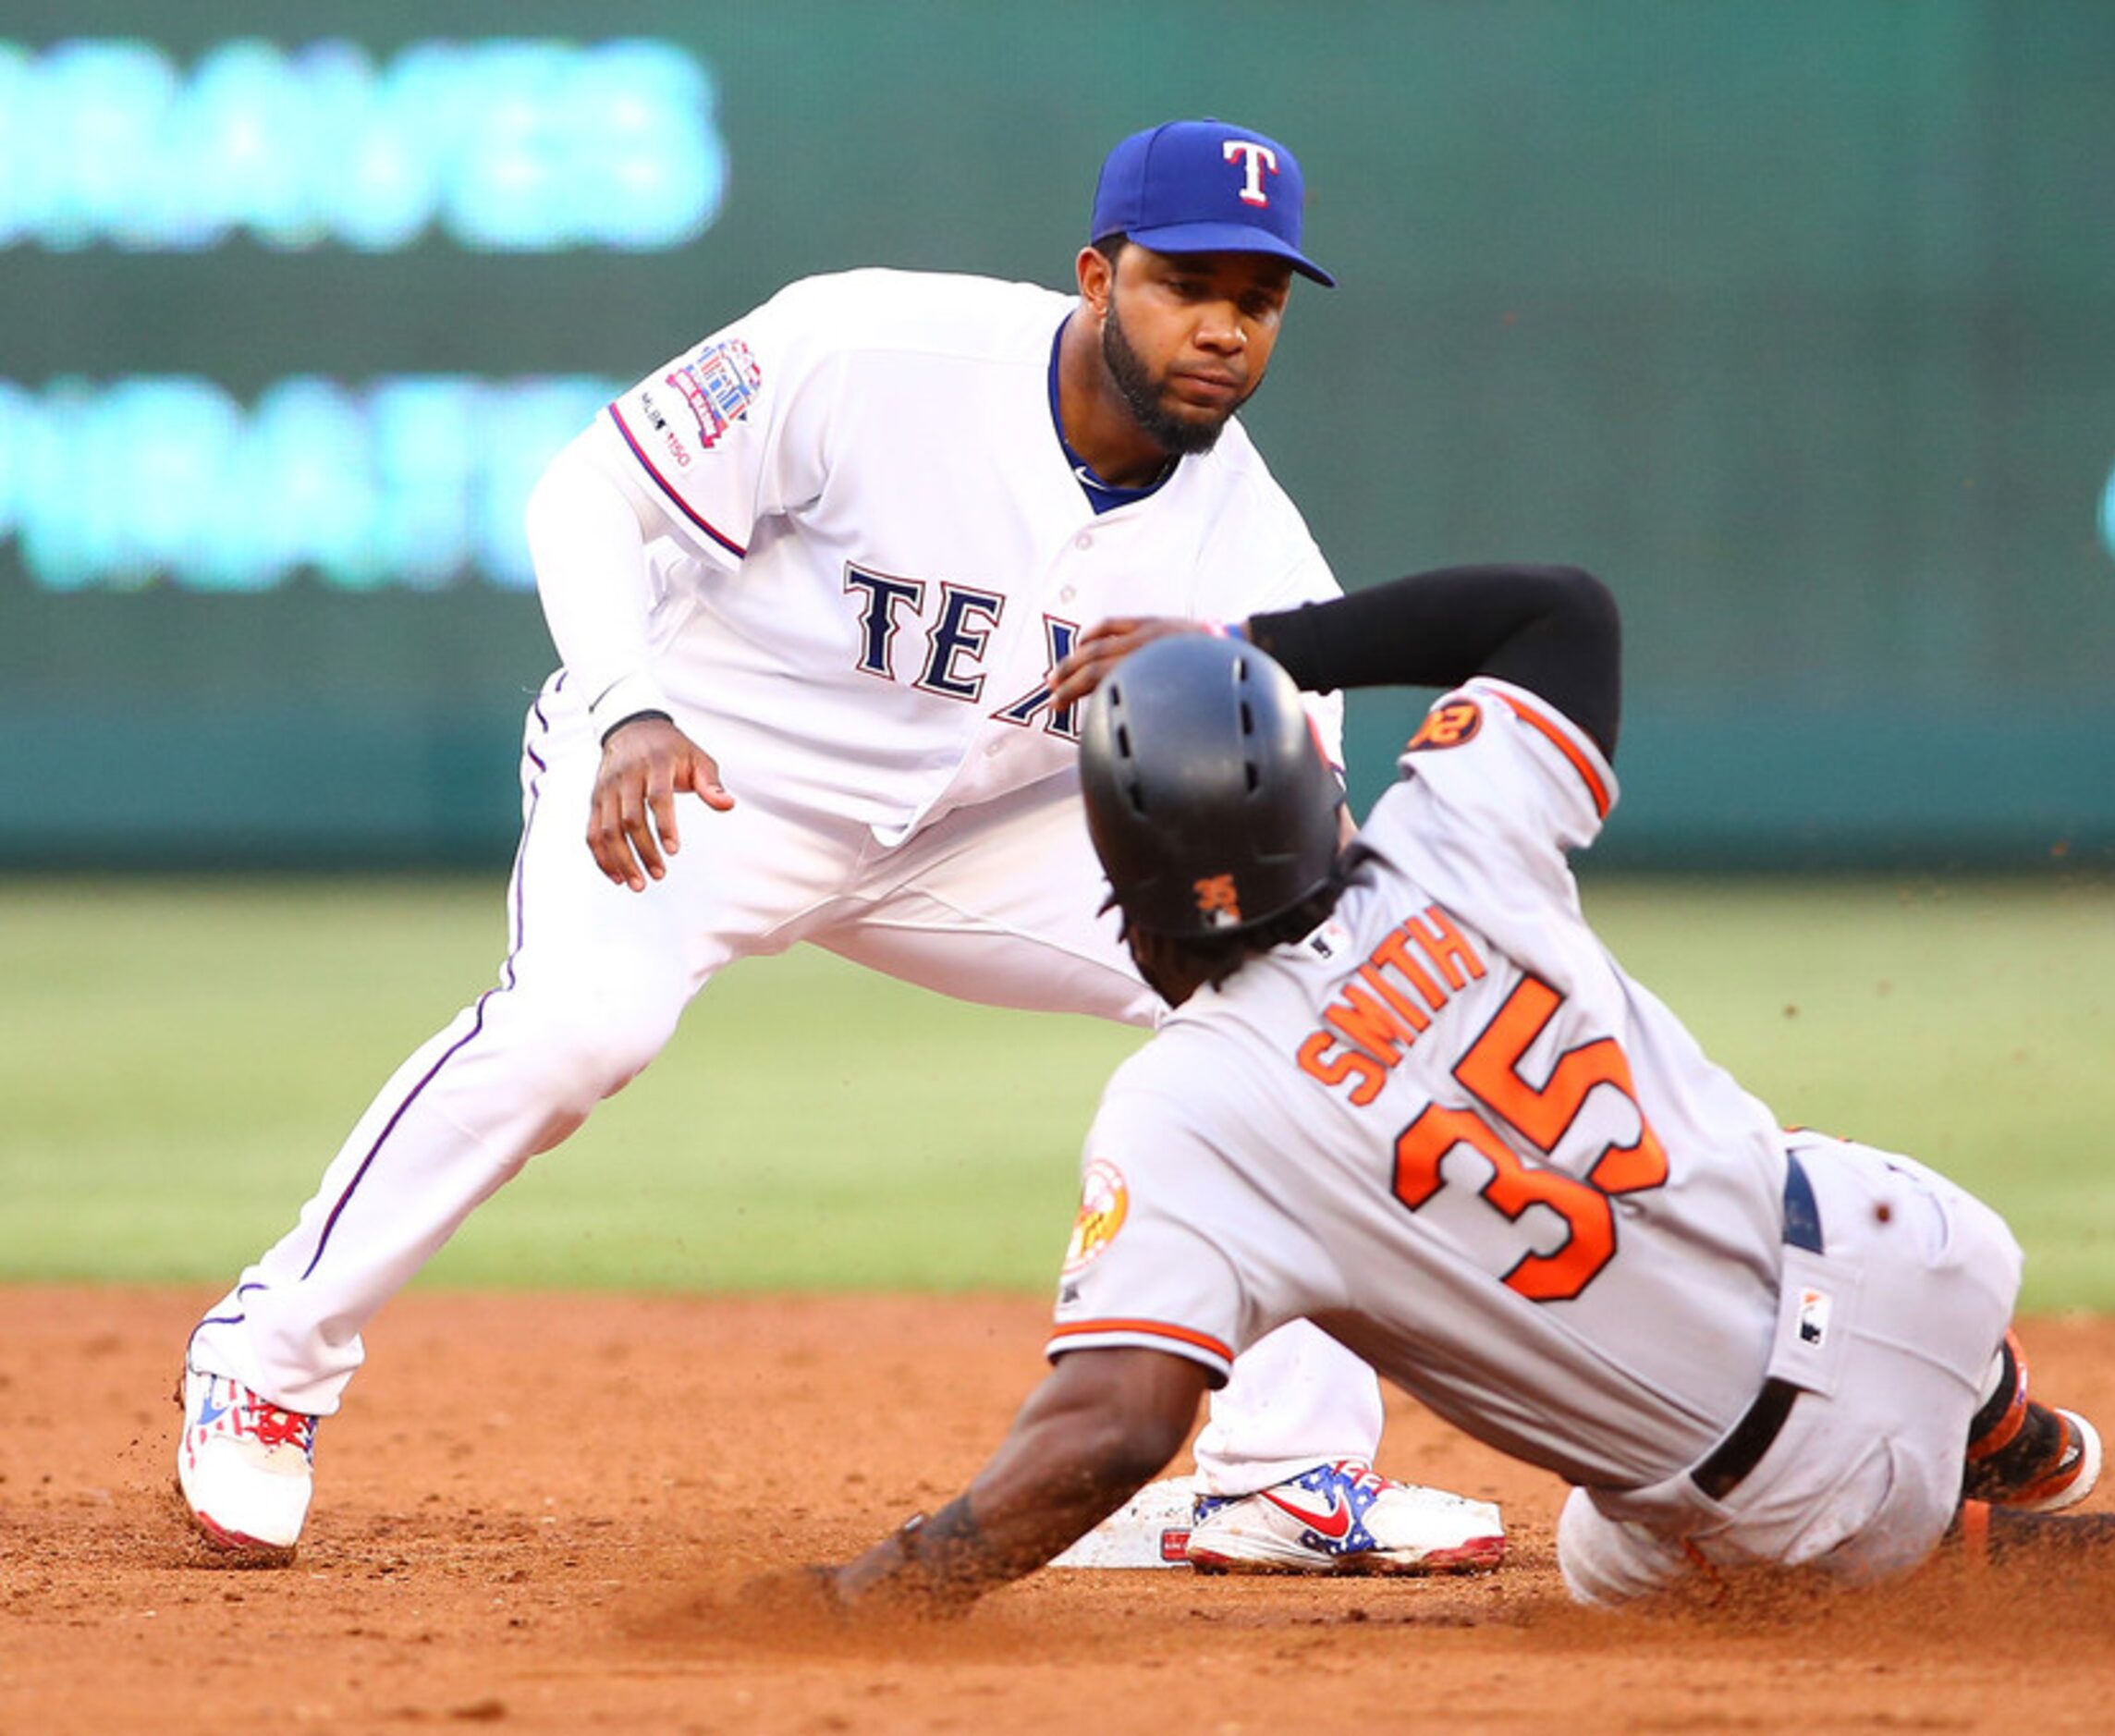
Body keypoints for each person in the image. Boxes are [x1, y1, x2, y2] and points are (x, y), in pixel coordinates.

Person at [174, 118, 1504, 1576]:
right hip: (698, 772)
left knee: (1301, 985)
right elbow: (587, 494)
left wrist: (1281, 910)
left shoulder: (1252, 550)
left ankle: (1286, 1475)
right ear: (1095, 272)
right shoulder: (871, 348)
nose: (1221, 331)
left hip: (975, 838)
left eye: (1256, 303)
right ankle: (268, 1355)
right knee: (578, 1030)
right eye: (1186, 282)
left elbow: (1293, 818)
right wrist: (627, 701)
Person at [791, 563, 2115, 1610]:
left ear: (1123, 877)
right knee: (1763, 1171)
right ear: (1319, 790)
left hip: (1802, 1495)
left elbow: (1117, 1427)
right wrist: (1255, 644)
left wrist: (875, 1588)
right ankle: (2001, 1412)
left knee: (1615, 1555)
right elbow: (1565, 611)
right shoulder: (1452, 837)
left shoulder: (1187, 1105)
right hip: (1924, 1246)